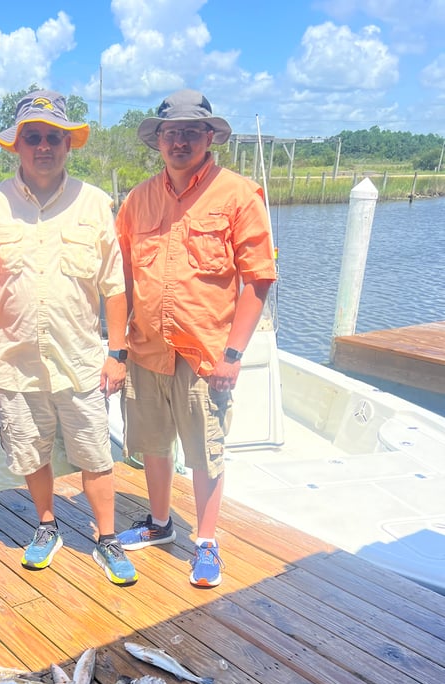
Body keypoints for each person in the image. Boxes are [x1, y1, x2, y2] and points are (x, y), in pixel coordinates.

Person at [0, 90, 137, 586]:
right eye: (33, 137)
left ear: (68, 145)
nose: (44, 146)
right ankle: (47, 526)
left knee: (95, 453)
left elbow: (115, 286)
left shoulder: (94, 203)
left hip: (81, 358)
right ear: (17, 145)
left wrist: (117, 352)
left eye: (53, 138)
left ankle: (106, 539)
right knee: (30, 451)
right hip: (15, 361)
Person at [115, 89, 277, 587]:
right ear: (157, 140)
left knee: (206, 450)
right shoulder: (138, 198)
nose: (179, 140)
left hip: (206, 354)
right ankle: (160, 524)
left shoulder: (238, 194)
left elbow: (259, 278)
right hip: (145, 349)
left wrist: (233, 355)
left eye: (190, 131)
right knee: (153, 444)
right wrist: (116, 348)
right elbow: (118, 277)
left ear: (209, 137)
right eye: (170, 132)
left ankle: (206, 542)